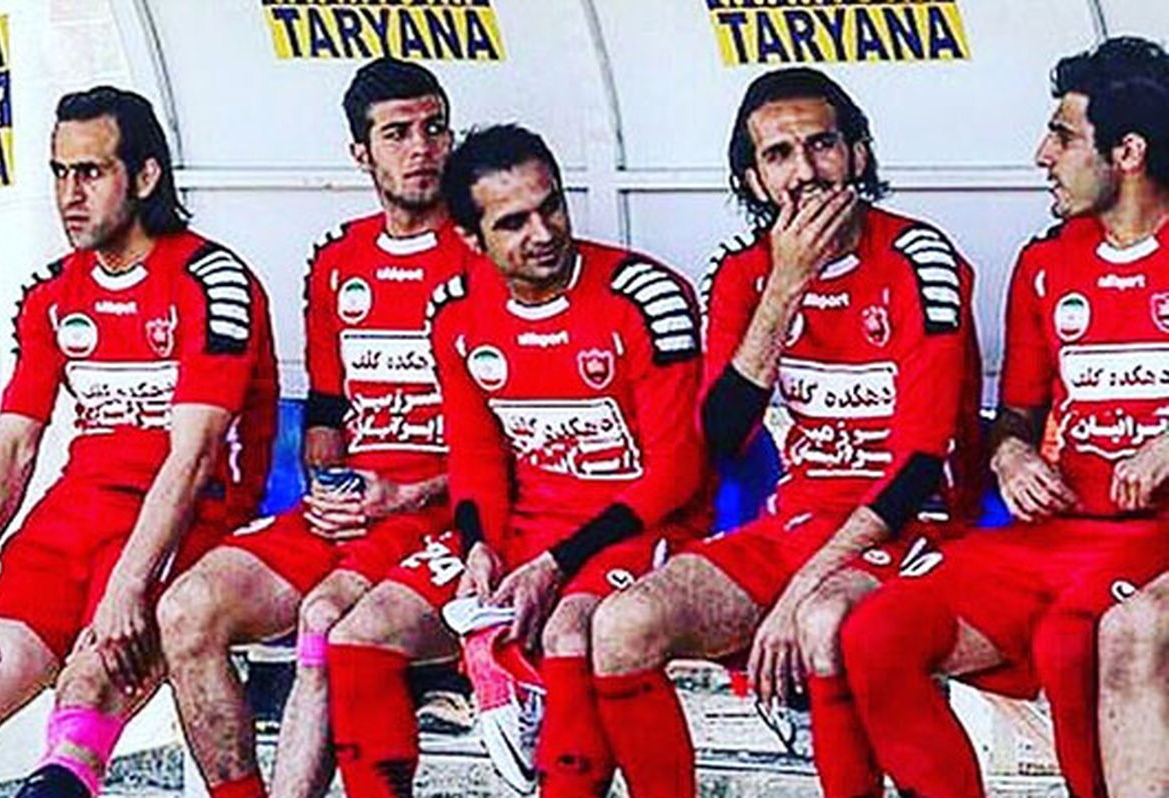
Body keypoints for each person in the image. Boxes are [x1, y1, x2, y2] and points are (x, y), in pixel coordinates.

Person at [588, 66, 983, 798]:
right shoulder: (744, 273)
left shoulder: (920, 259)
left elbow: (923, 466)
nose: (805, 172)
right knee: (622, 625)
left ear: (857, 153)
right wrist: (786, 285)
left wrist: (799, 592)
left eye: (822, 145)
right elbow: (719, 436)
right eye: (778, 155)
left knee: (825, 622)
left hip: (911, 531)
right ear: (753, 178)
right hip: (797, 525)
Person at [319, 122, 709, 798]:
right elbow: (476, 456)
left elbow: (677, 473)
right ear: (470, 239)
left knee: (569, 635)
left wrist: (553, 565)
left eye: (550, 206)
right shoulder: (456, 309)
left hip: (640, 526)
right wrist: (478, 546)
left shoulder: (645, 296)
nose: (544, 232)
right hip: (526, 530)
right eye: (513, 222)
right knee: (360, 637)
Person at [838, 37, 1169, 798]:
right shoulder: (1045, 263)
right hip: (1058, 529)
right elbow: (1016, 414)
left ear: (1128, 152)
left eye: (1062, 137)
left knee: (1071, 644)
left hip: (1153, 532)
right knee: (876, 634)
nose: (1041, 156)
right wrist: (1011, 456)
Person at [154, 58, 468, 798]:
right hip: (352, 510)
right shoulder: (338, 260)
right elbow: (327, 408)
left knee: (325, 617)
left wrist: (408, 493)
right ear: (361, 153)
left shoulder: (485, 250)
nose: (422, 148)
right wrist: (329, 488)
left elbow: (517, 438)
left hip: (444, 510)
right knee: (185, 610)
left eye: (434, 129)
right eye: (397, 134)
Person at [0, 86, 278, 798]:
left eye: (91, 172)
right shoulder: (52, 293)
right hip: (71, 519)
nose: (70, 195)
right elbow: (14, 446)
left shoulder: (212, 281)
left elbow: (194, 457)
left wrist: (129, 585)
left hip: (184, 518)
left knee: (88, 685)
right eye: (60, 173)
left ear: (144, 176)